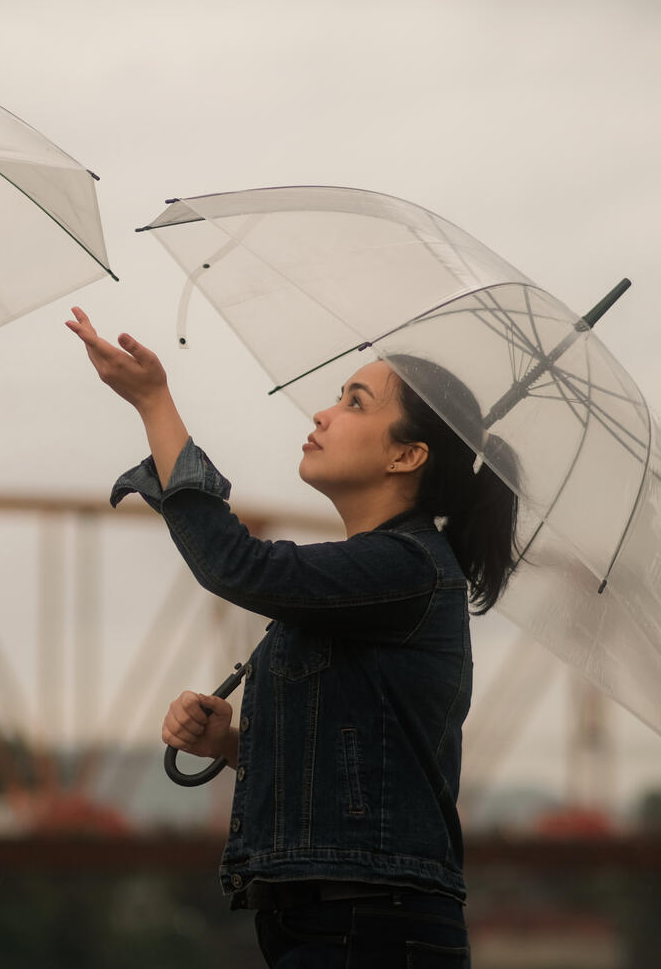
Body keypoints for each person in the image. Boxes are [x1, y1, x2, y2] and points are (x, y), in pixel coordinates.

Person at [66, 307, 518, 968]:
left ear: (406, 455)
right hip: (334, 920)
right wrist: (229, 744)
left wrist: (154, 402)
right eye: (338, 396)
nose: (323, 414)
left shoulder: (407, 568)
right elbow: (353, 760)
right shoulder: (373, 576)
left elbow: (236, 566)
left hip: (370, 924)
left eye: (354, 402)